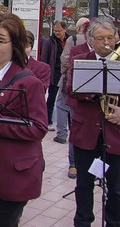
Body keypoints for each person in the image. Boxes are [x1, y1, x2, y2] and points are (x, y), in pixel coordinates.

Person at [0, 13, 48, 226]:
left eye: (0, 41)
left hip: (11, 173)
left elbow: (38, 128)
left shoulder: (28, 82)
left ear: (14, 44)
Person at [66, 17, 120, 227]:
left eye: (111, 37)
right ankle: (83, 221)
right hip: (86, 132)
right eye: (101, 39)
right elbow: (70, 89)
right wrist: (95, 92)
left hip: (115, 133)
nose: (107, 43)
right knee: (84, 184)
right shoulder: (81, 59)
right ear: (91, 40)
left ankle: (114, 222)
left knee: (116, 188)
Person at [54, 17, 89, 145]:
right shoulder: (91, 41)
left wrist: (64, 72)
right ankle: (77, 134)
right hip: (85, 80)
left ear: (78, 27)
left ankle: (62, 134)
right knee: (77, 107)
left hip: (69, 78)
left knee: (61, 106)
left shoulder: (72, 39)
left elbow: (65, 58)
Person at [40, 19, 69, 132]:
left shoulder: (69, 40)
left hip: (64, 72)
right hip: (54, 72)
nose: (57, 33)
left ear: (64, 29)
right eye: (55, 31)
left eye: (59, 31)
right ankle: (48, 121)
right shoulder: (49, 41)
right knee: (51, 98)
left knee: (64, 99)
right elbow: (44, 58)